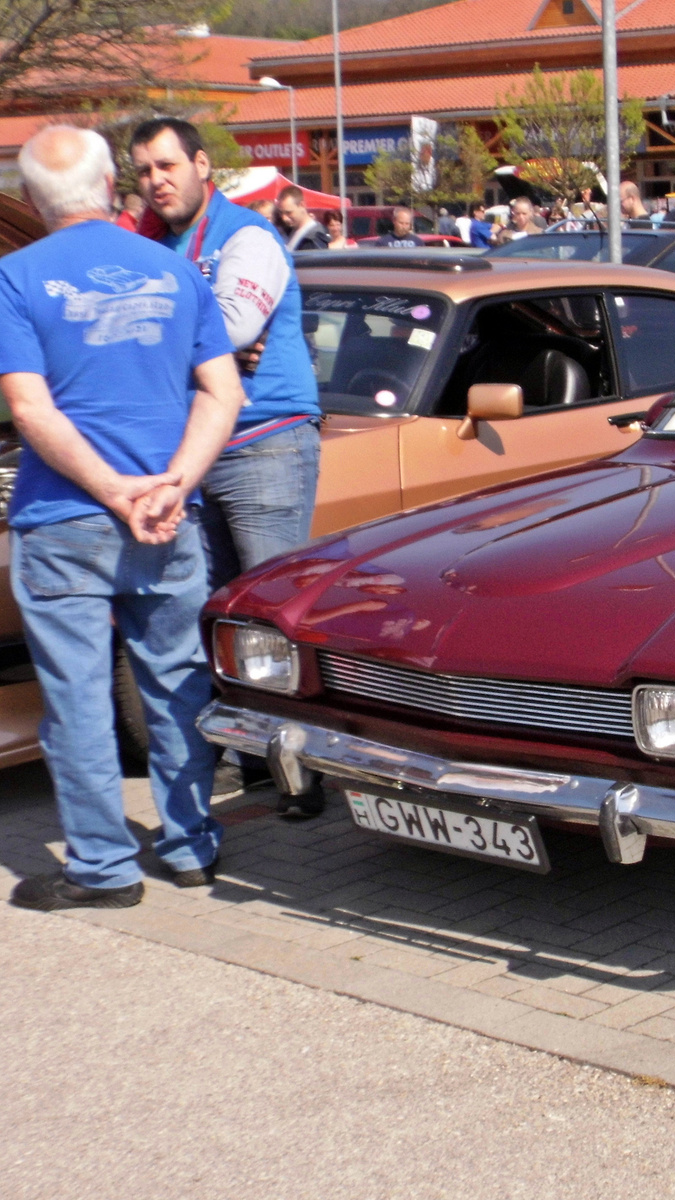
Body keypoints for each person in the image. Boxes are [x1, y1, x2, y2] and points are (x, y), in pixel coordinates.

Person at [2, 126, 249, 910]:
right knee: (176, 683)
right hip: (168, 516)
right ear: (115, 187)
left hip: (64, 516)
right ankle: (190, 846)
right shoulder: (174, 272)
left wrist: (112, 490)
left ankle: (104, 867)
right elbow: (224, 392)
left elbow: (27, 406)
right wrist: (174, 483)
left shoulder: (15, 276)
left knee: (76, 696)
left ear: (33, 201)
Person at [131, 118, 324, 813]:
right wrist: (200, 333)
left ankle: (301, 773)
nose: (156, 180)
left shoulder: (247, 235)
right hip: (186, 450)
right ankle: (246, 758)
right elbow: (214, 338)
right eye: (144, 170)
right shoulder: (148, 242)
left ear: (202, 165)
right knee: (204, 619)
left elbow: (237, 326)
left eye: (166, 164)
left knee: (274, 615)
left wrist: (175, 333)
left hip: (262, 444)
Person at [275, 185, 329, 250]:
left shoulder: (314, 238)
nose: (284, 218)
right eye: (281, 213)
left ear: (302, 205)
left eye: (289, 213)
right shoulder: (291, 231)